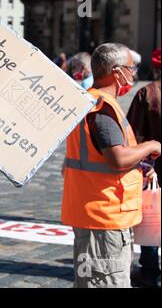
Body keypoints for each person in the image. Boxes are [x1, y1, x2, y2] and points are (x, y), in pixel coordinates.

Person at [61, 43, 161, 288]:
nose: (134, 74)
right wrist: (150, 145)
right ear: (117, 72)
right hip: (103, 218)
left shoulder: (91, 102)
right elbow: (117, 158)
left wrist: (136, 171)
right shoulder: (103, 109)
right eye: (131, 68)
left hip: (95, 214)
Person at [127, 47, 161, 288]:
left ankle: (150, 271)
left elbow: (132, 136)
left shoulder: (147, 93)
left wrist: (145, 163)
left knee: (152, 217)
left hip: (153, 168)